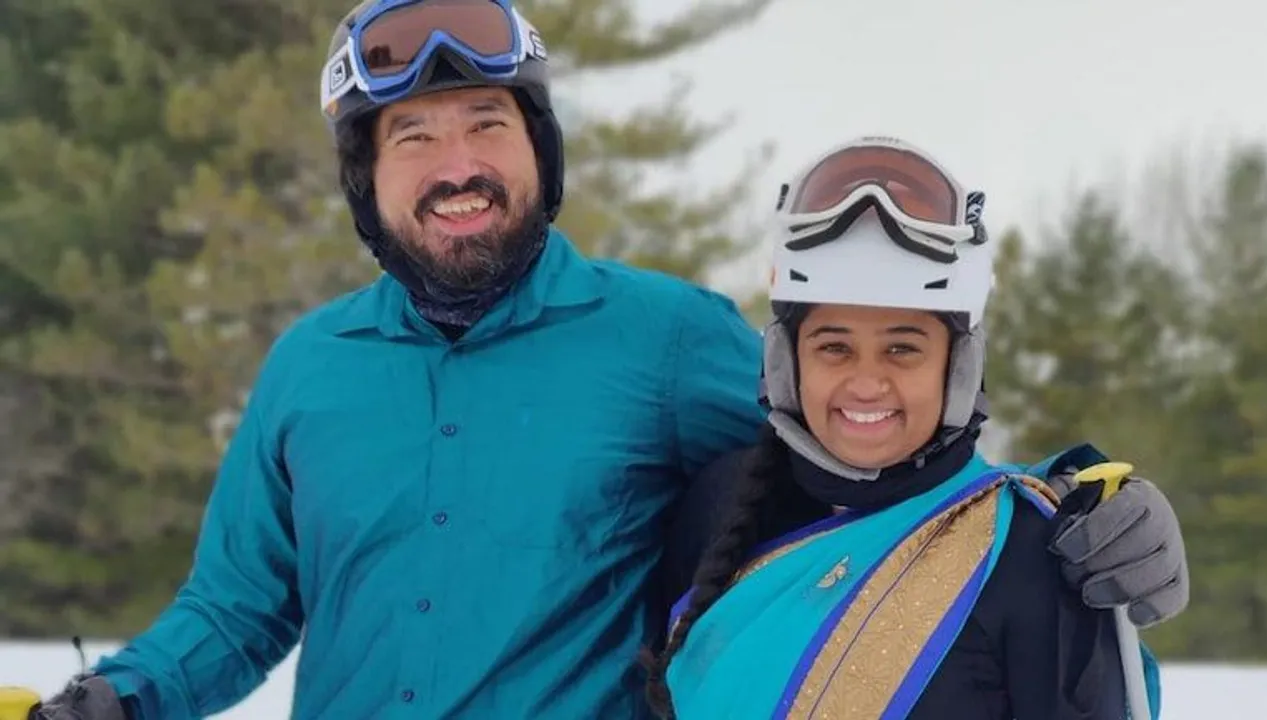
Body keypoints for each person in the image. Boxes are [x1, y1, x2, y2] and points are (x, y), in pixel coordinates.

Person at [28, 2, 1187, 719]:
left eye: (487, 122)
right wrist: (118, 702)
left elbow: (865, 442)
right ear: (367, 182)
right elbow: (235, 611)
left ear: (537, 150)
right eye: (413, 136)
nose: (455, 161)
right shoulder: (307, 369)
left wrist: (1081, 501)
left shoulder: (663, 339)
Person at [646, 136, 1163, 719]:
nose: (867, 383)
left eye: (902, 348)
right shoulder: (719, 504)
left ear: (957, 366)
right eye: (834, 347)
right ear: (787, 365)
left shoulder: (1031, 554)